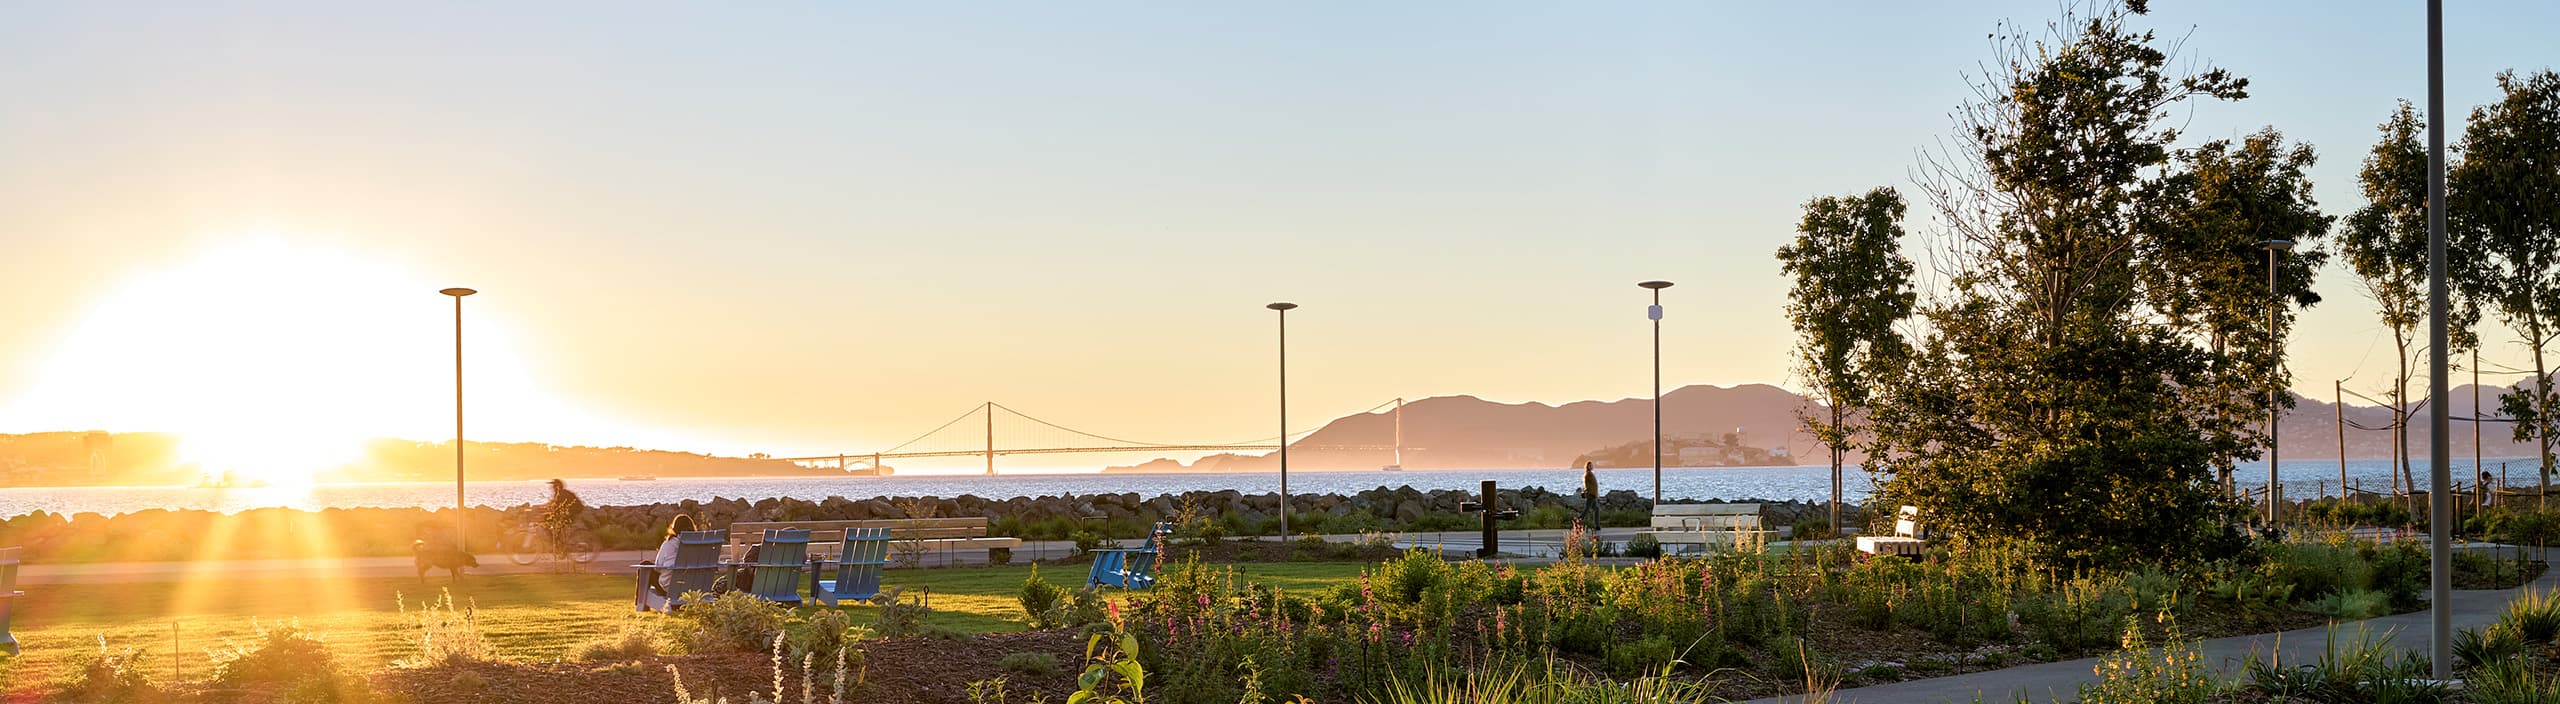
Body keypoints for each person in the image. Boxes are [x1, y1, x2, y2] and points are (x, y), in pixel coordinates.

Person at [640, 514, 698, 610]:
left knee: (644, 565)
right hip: (691, 588)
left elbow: (657, 567)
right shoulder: (698, 545)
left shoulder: (670, 543)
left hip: (670, 588)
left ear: (675, 528)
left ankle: (641, 604)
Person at [1582, 462, 1601, 530]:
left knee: (1596, 509)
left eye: (1591, 465)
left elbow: (1592, 484)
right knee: (1587, 509)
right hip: (1591, 494)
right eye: (1589, 466)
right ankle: (1578, 520)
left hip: (1593, 494)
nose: (1591, 467)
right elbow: (1587, 485)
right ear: (1587, 467)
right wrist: (1586, 492)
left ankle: (1597, 525)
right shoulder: (1588, 474)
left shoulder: (1590, 473)